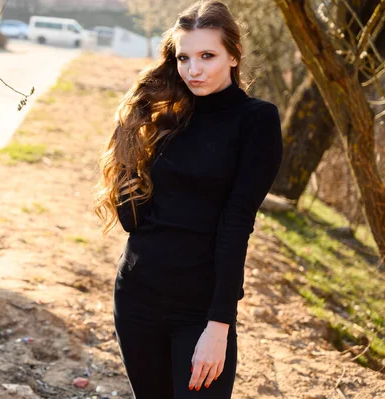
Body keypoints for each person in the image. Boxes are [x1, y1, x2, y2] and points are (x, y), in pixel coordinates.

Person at [93, 1, 283, 398]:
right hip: (137, 298)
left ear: (233, 56)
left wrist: (219, 326)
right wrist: (127, 152)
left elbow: (237, 224)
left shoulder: (256, 121)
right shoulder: (166, 118)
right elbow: (135, 223)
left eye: (207, 56)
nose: (193, 70)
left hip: (200, 309)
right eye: (184, 57)